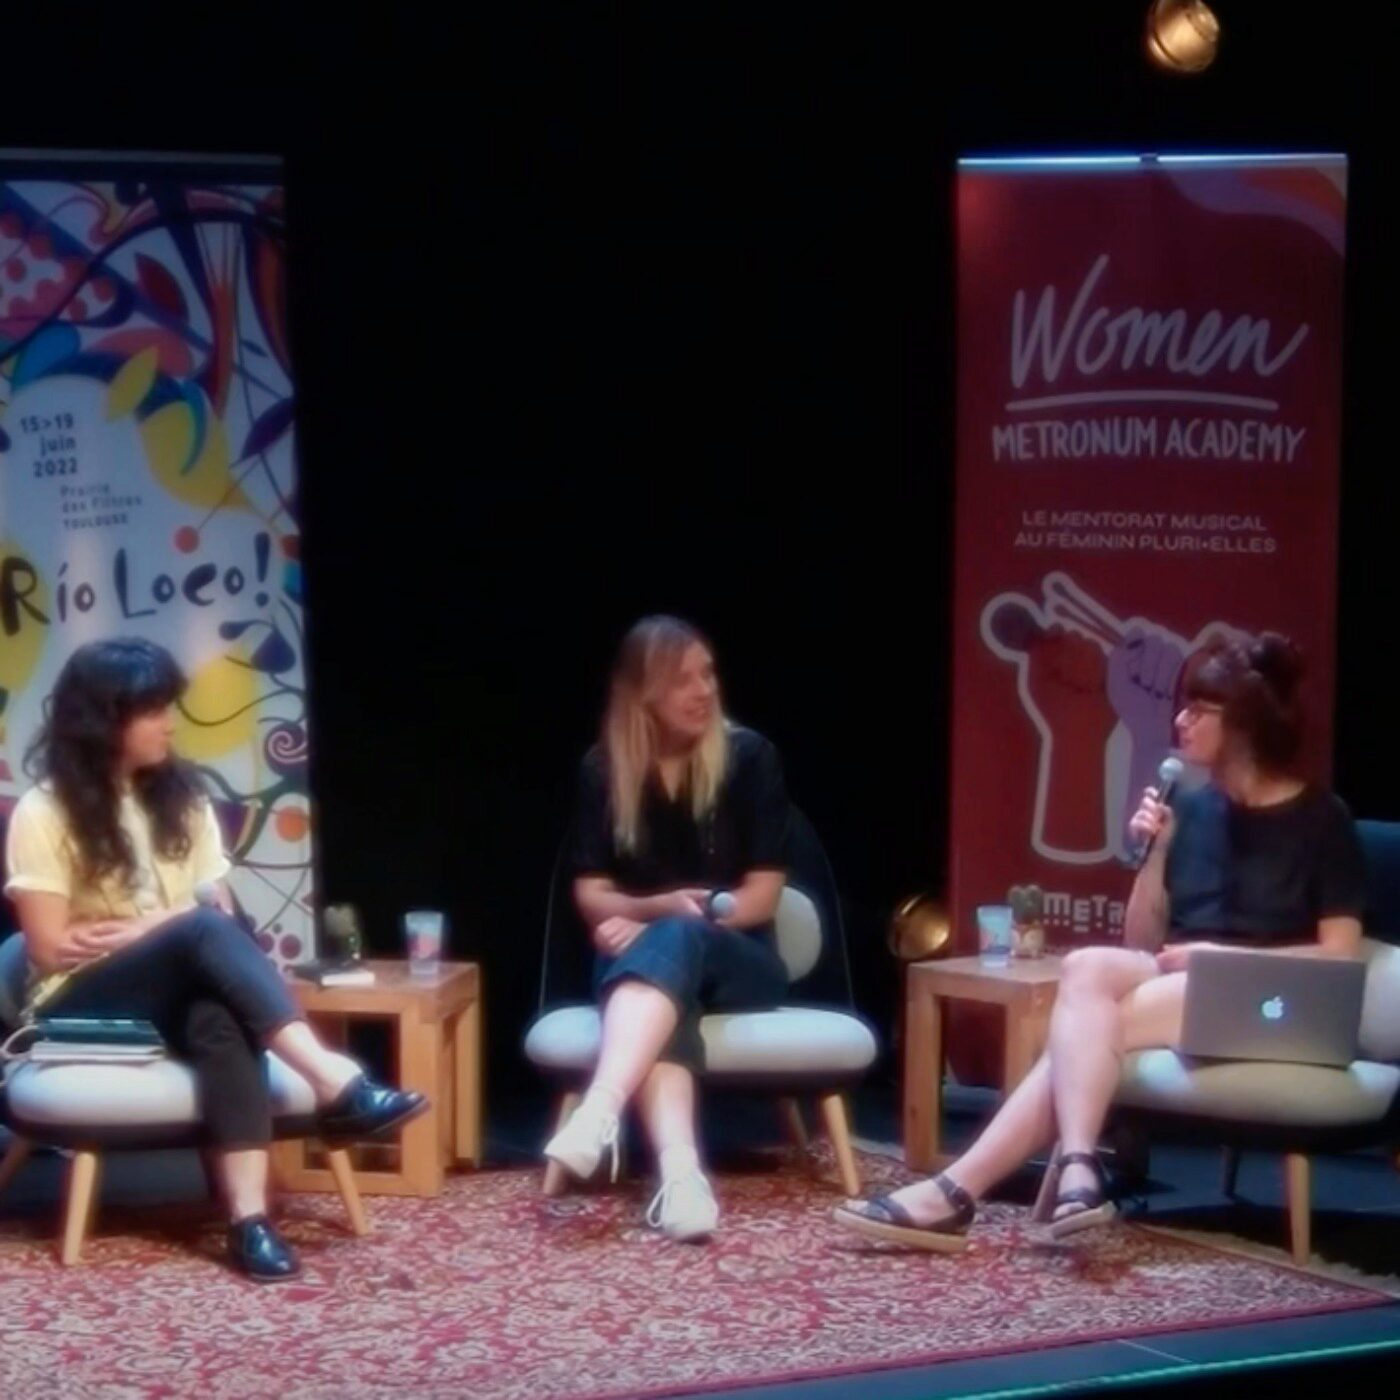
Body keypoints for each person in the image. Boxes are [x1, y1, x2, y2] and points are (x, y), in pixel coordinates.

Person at [834, 633, 1366, 1251]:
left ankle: (966, 1189)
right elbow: (1142, 940)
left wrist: (1224, 959)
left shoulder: (1322, 819)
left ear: (1244, 723)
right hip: (1186, 989)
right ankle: (1077, 1168)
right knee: (1087, 968)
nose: (1180, 721)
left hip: (1275, 1005)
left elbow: (1340, 956)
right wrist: (1155, 854)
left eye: (1199, 710)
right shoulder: (1193, 810)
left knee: (1083, 1035)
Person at [4, 638, 428, 1281]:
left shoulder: (185, 798)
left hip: (174, 987)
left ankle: (248, 1222)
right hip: (80, 998)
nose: (169, 723)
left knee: (217, 1015)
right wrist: (164, 925)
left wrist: (146, 929)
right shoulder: (44, 811)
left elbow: (219, 914)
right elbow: (48, 946)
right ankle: (336, 1084)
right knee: (198, 928)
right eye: (153, 711)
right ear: (103, 722)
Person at [543, 616, 793, 1241]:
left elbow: (762, 897)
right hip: (648, 969)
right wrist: (657, 909)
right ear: (643, 693)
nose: (704, 690)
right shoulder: (604, 769)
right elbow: (590, 893)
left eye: (708, 674)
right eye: (683, 680)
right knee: (663, 984)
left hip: (742, 957)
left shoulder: (750, 757)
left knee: (672, 943)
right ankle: (682, 1179)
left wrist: (683, 916)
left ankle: (601, 1108)